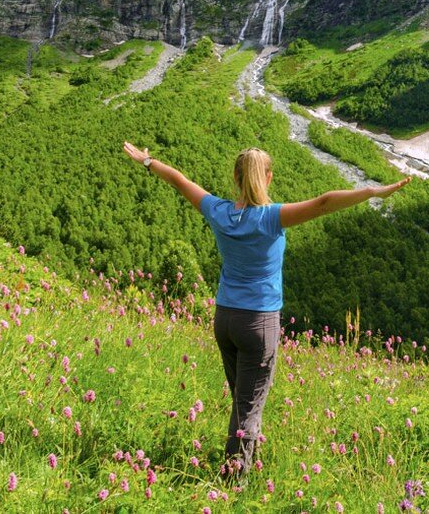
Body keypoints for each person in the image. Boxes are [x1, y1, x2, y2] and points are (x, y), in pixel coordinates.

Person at [122, 141, 409, 473]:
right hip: (259, 323)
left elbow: (178, 179)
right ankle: (233, 481)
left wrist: (147, 161)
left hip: (225, 319)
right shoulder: (272, 218)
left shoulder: (217, 210)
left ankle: (247, 464)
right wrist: (372, 191)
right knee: (248, 408)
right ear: (268, 178)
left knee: (243, 401)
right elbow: (324, 203)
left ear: (235, 176)